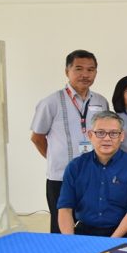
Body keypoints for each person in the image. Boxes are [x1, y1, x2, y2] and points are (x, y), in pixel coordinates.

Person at [31, 49, 109, 233]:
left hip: (94, 176)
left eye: (91, 70)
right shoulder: (51, 102)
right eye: (79, 69)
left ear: (96, 73)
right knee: (61, 229)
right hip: (61, 177)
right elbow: (37, 137)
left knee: (91, 226)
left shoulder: (101, 101)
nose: (85, 74)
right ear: (67, 71)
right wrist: (54, 158)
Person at [57, 111, 127, 237]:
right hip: (84, 232)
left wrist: (112, 240)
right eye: (100, 133)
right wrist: (70, 240)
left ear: (122, 136)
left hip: (121, 233)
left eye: (114, 133)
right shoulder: (75, 166)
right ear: (90, 135)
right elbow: (65, 208)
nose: (107, 138)